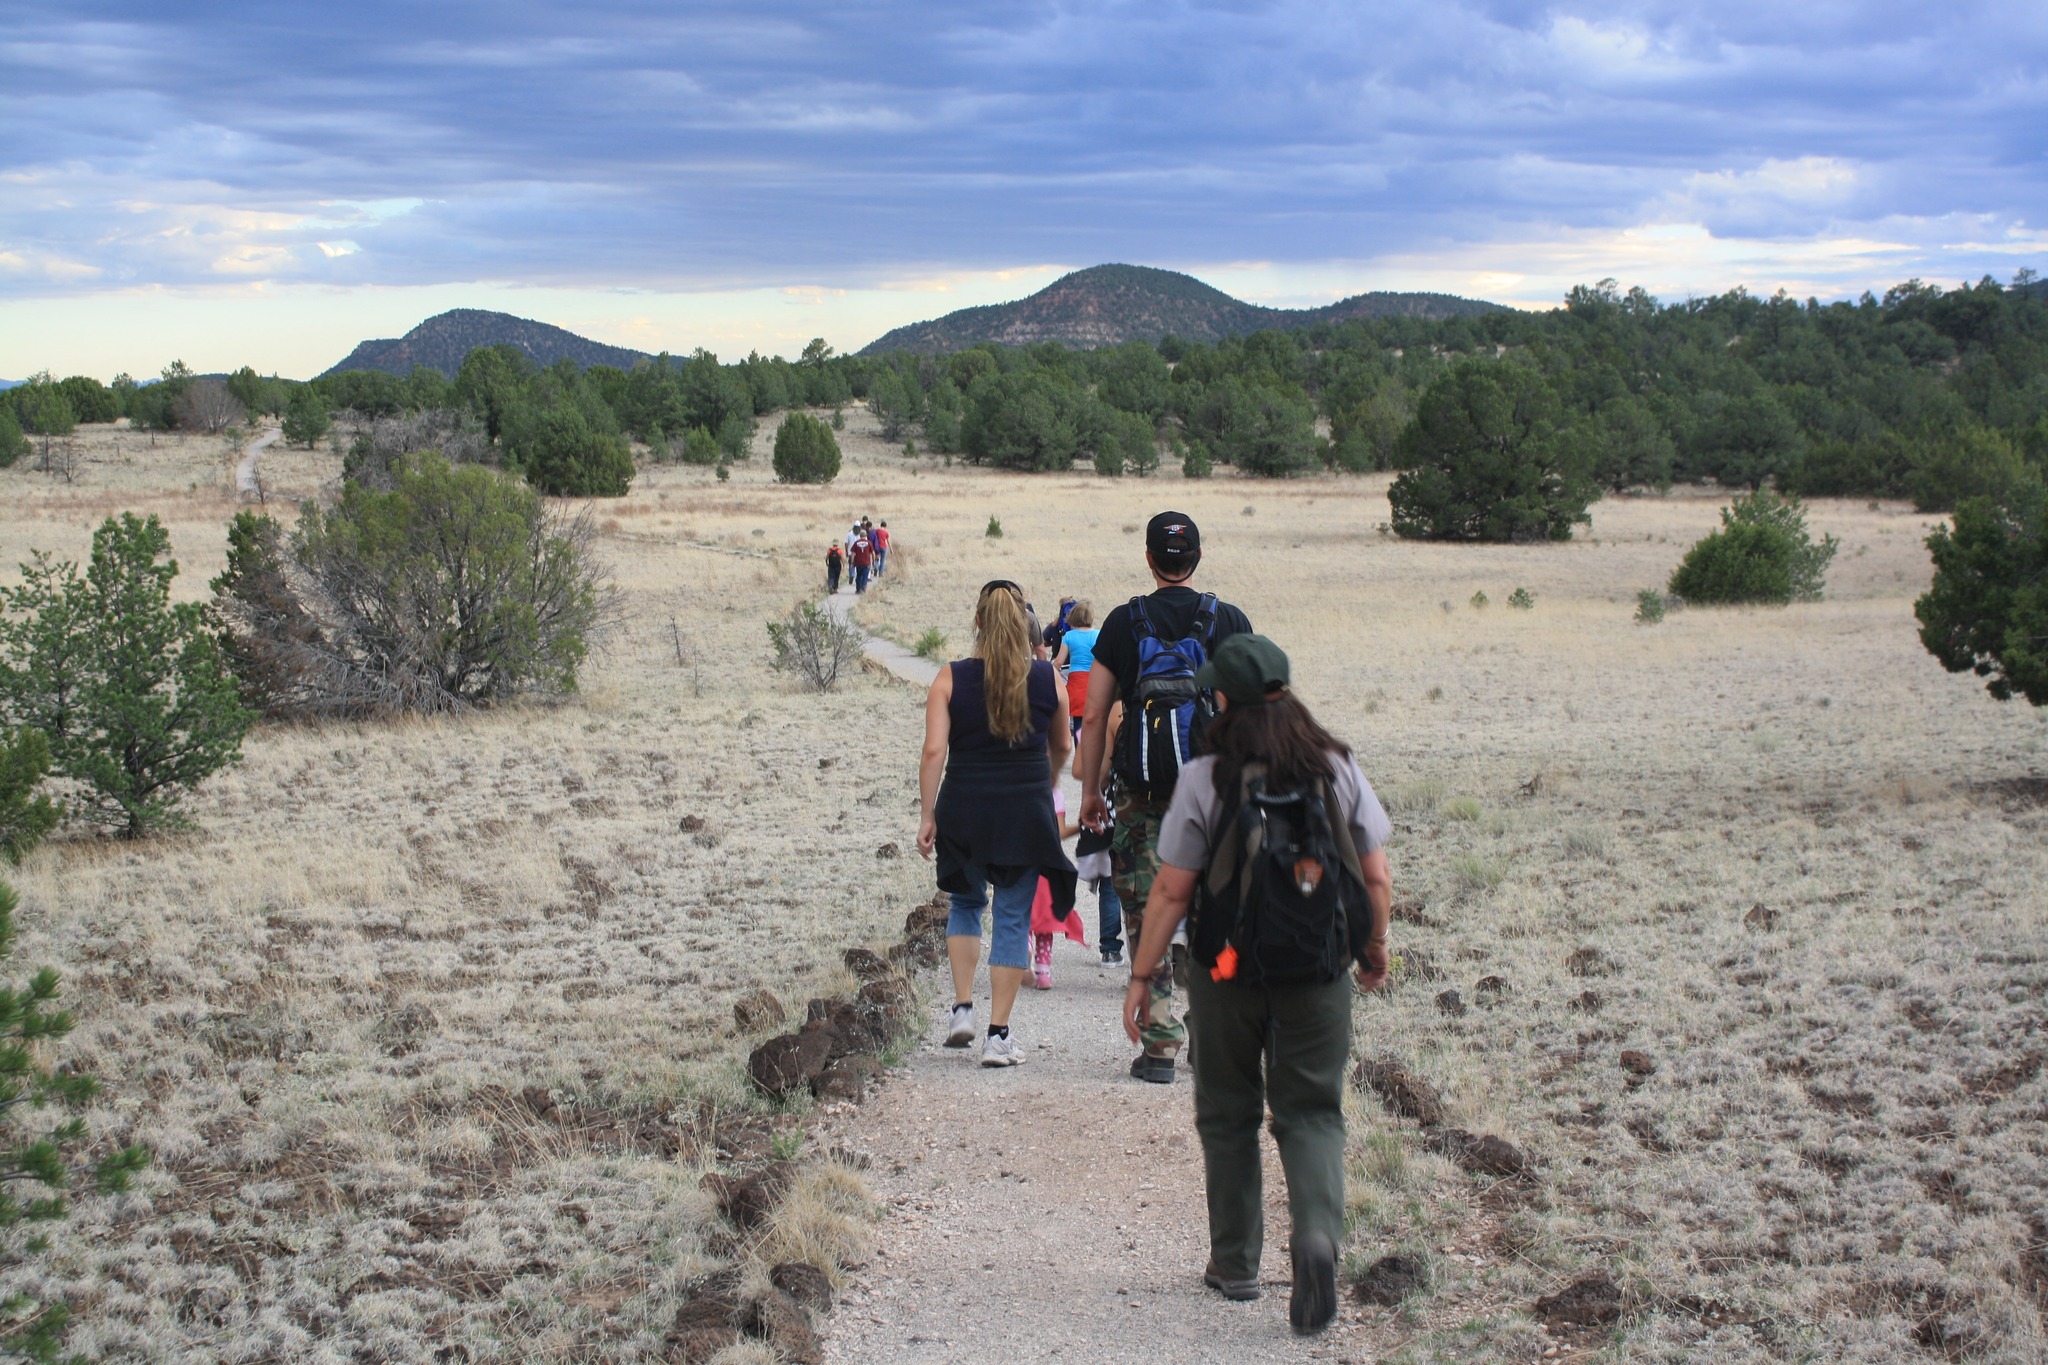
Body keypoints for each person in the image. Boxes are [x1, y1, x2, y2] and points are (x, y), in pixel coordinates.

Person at [1119, 633, 1392, 1335]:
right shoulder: (1334, 764)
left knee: (1228, 1111)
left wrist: (1143, 975)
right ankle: (1317, 1239)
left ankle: (1236, 1262)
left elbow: (1172, 891)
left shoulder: (1204, 776)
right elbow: (1376, 873)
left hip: (1225, 970)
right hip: (1318, 969)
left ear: (1219, 697)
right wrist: (1373, 944)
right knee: (1313, 1112)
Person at [1077, 512, 1253, 1084]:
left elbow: (1098, 713)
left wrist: (1089, 794)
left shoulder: (1124, 624)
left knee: (1146, 913)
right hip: (1213, 800)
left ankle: (1158, 1048)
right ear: (1196, 560)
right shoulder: (1228, 621)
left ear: (1150, 560)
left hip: (1140, 797)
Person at [917, 581, 1075, 1066]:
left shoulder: (949, 677)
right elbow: (1064, 746)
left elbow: (934, 750)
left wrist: (928, 814)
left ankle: (962, 1007)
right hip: (1023, 810)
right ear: (1022, 626)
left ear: (979, 622)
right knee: (1011, 916)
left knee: (965, 903)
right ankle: (998, 1036)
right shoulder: (1049, 677)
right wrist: (1042, 783)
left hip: (964, 806)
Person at [1051, 600, 1098, 740]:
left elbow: (1059, 661)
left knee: (1078, 721)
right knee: (1094, 721)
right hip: (1094, 682)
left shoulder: (1069, 636)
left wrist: (1050, 674)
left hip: (1076, 682)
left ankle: (1080, 753)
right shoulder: (1098, 634)